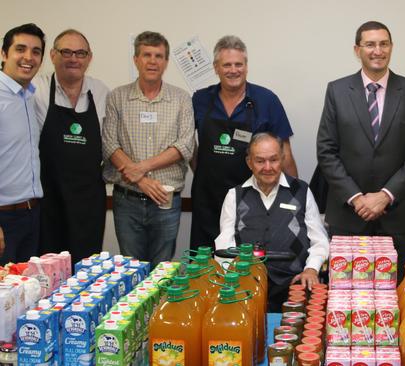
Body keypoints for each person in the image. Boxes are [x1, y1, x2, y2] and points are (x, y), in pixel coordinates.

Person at [316, 21, 405, 282]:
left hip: (398, 218)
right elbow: (326, 151)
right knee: (347, 299)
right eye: (370, 44)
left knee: (396, 299)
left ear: (391, 47)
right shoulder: (337, 90)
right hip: (348, 216)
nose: (377, 50)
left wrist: (385, 196)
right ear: (357, 50)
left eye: (383, 44)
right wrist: (357, 198)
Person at [190, 35, 297, 251]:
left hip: (252, 202)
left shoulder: (267, 101)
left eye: (239, 64)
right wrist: (202, 171)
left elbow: (284, 153)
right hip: (207, 202)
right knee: (205, 269)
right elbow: (187, 143)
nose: (233, 70)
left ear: (246, 67)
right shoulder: (200, 100)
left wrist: (294, 198)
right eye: (226, 65)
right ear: (216, 68)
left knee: (247, 268)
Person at [102, 31, 195, 268]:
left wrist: (141, 168)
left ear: (165, 62)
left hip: (166, 200)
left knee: (161, 271)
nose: (152, 61)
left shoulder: (182, 99)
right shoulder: (117, 97)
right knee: (131, 268)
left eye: (158, 56)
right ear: (136, 59)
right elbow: (110, 143)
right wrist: (141, 181)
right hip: (127, 200)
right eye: (146, 55)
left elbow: (184, 144)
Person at [214, 132, 328, 311]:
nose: (268, 167)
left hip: (294, 284)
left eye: (273, 160)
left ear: (282, 159)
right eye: (260, 161)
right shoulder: (234, 195)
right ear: (249, 162)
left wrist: (311, 269)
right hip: (247, 287)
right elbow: (224, 245)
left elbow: (319, 241)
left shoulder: (301, 191)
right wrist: (232, 276)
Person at [33, 29, 109, 264]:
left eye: (80, 53)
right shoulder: (36, 90)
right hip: (49, 199)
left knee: (86, 272)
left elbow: (111, 143)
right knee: (48, 270)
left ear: (89, 58)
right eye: (66, 52)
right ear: (53, 55)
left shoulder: (102, 92)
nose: (73, 58)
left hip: (89, 202)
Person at [0, 23, 45, 265]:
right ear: (4, 54)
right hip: (4, 218)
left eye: (35, 51)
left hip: (30, 215)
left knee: (25, 297)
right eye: (21, 49)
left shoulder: (27, 97)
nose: (28, 57)